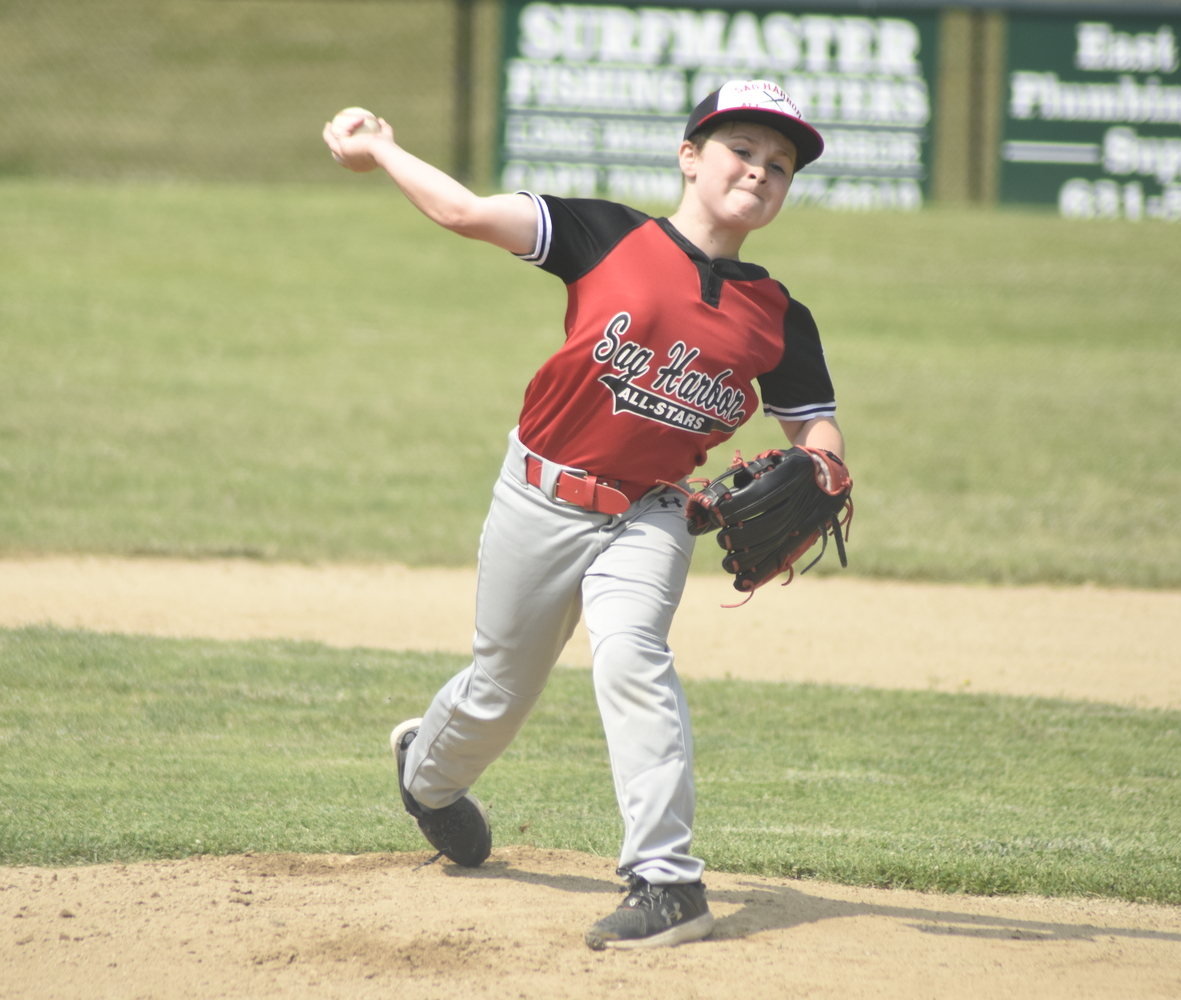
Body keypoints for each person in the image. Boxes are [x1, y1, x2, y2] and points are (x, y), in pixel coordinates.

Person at [322, 79, 845, 951]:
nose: (759, 172)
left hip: (654, 516)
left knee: (633, 658)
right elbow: (460, 212)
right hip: (540, 494)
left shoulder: (780, 317)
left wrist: (824, 463)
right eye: (741, 151)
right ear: (691, 157)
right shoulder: (608, 235)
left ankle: (666, 881)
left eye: (779, 165)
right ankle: (429, 777)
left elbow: (815, 427)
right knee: (498, 692)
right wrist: (379, 147)